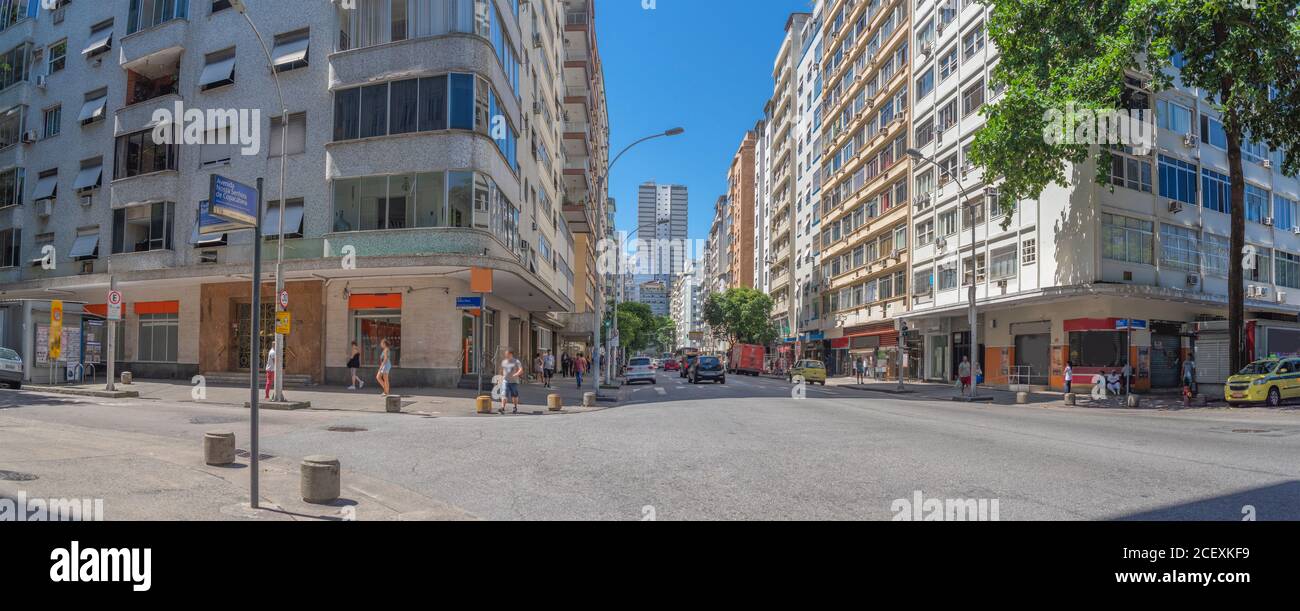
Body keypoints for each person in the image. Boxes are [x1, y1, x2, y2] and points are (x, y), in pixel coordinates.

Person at [500, 350, 523, 414]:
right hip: (505, 381)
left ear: (510, 354)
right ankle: (502, 408)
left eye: (507, 354)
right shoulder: (504, 362)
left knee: (514, 395)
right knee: (504, 394)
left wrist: (516, 374)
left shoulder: (516, 361)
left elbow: (521, 370)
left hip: (514, 381)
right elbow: (502, 370)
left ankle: (515, 407)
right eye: (505, 354)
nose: (505, 355)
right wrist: (501, 377)